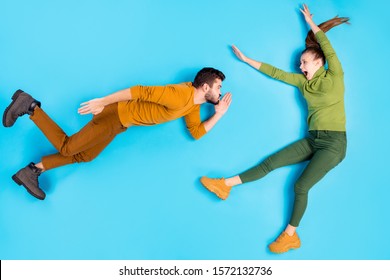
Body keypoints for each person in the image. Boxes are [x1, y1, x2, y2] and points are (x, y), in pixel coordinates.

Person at [200, 5, 349, 254]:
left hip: (334, 144)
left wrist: (311, 23)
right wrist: (246, 59)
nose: (300, 67)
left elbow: (327, 46)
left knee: (300, 186)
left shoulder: (335, 74)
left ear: (318, 61)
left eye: (304, 62)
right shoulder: (303, 83)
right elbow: (276, 73)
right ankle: (224, 185)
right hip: (313, 139)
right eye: (300, 64)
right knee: (270, 162)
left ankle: (290, 236)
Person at [3, 67, 232, 200]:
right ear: (205, 87)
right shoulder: (179, 95)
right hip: (115, 115)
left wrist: (219, 114)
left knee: (86, 155)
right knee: (68, 148)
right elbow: (140, 91)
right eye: (218, 86)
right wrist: (103, 101)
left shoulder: (192, 105)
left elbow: (196, 132)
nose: (220, 91)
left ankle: (32, 171)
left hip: (120, 123)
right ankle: (30, 106)